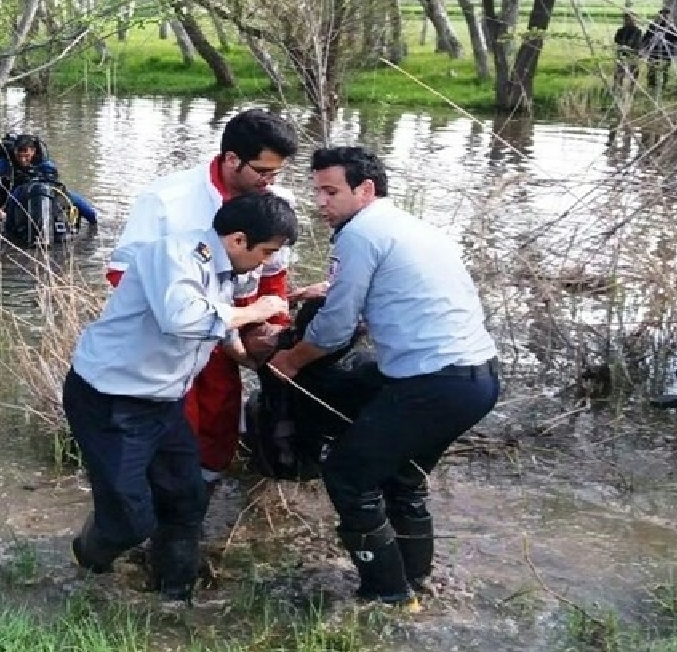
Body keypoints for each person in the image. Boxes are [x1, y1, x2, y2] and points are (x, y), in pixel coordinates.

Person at [269, 146, 501, 608]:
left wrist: (291, 360)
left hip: (433, 382)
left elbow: (335, 327)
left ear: (366, 190)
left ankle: (387, 596)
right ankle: (417, 583)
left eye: (331, 192)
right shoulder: (409, 225)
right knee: (402, 478)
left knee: (349, 475)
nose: (320, 203)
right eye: (317, 191)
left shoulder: (359, 234)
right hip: (479, 380)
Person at [66, 192, 298, 602]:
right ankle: (88, 561)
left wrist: (250, 358)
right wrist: (256, 311)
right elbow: (183, 318)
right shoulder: (175, 253)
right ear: (238, 239)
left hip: (164, 400)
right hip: (112, 400)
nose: (265, 263)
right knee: (129, 522)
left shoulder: (227, 268)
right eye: (266, 252)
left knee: (186, 497)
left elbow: (218, 321)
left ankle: (175, 595)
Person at [106, 108, 300, 490]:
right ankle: (161, 511)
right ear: (231, 159)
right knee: (172, 427)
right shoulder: (167, 200)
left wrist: (268, 332)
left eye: (277, 173)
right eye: (262, 171)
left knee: (218, 421)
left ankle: (198, 501)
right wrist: (192, 315)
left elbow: (274, 277)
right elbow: (121, 274)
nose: (270, 182)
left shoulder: (276, 201)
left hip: (229, 332)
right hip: (166, 337)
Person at [0, 133, 99, 231]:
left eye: (27, 156)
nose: (23, 160)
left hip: (32, 192)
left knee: (82, 206)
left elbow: (55, 187)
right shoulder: (5, 162)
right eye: (19, 156)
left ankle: (94, 223)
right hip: (9, 191)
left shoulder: (44, 163)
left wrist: (4, 214)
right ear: (14, 151)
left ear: (33, 152)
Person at [641, 8, 677, 96]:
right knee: (651, 69)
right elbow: (646, 37)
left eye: (666, 15)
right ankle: (651, 86)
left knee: (664, 70)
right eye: (662, 15)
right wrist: (644, 48)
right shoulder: (653, 26)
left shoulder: (671, 27)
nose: (664, 17)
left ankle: (663, 86)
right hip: (654, 51)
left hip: (666, 52)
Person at [613, 11, 643, 93]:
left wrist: (631, 47)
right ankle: (617, 88)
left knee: (634, 73)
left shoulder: (637, 31)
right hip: (622, 54)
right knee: (619, 72)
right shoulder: (621, 30)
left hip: (632, 54)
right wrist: (622, 45)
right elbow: (616, 39)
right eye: (626, 20)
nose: (627, 21)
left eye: (629, 19)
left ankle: (632, 89)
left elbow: (638, 42)